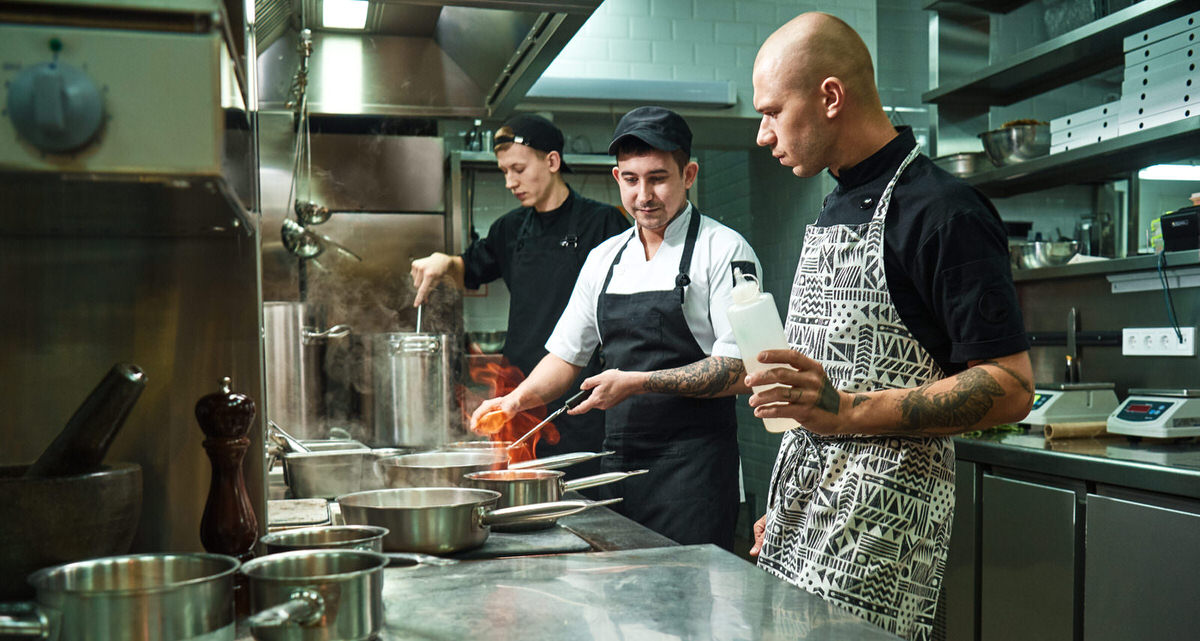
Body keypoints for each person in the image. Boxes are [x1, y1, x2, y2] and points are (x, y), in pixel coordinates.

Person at [745, 13, 1033, 641]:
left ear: (830, 97)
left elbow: (1011, 386)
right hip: (806, 517)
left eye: (772, 113)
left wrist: (846, 411)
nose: (764, 135)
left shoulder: (943, 212)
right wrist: (791, 502)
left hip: (881, 536)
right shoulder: (834, 203)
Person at [470, 107, 762, 550]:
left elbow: (743, 369)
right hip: (617, 467)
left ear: (689, 175)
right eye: (630, 179)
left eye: (658, 178)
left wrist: (638, 383)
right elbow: (566, 357)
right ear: (616, 177)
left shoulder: (724, 250)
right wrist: (514, 401)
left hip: (694, 471)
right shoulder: (604, 258)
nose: (644, 195)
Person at [411, 115, 629, 466]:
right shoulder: (508, 229)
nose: (510, 182)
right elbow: (469, 268)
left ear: (552, 161)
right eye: (504, 171)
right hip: (518, 388)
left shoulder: (602, 223)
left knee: (582, 486)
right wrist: (444, 261)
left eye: (518, 169)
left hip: (580, 392)